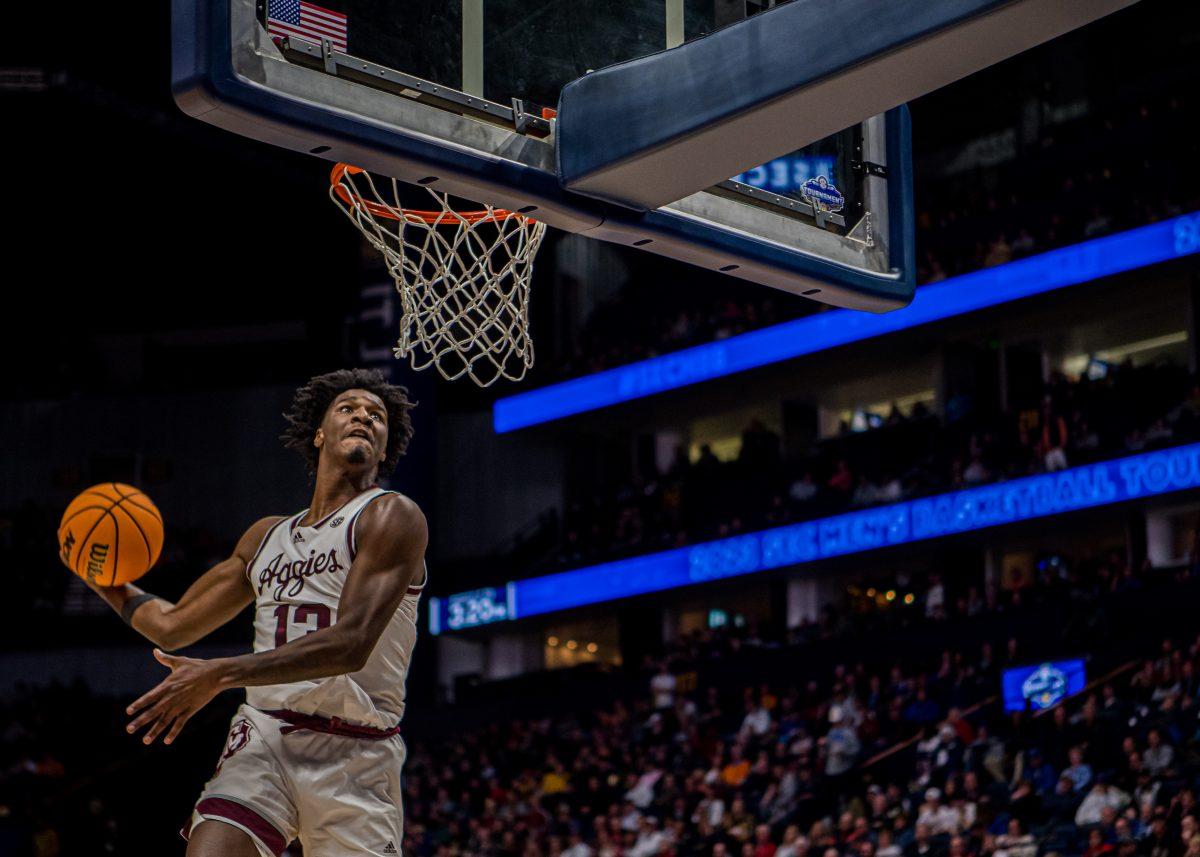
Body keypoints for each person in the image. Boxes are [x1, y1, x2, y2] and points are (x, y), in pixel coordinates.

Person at [78, 369, 427, 857]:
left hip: (357, 753)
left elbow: (350, 644)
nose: (365, 417)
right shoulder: (265, 538)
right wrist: (99, 576)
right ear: (319, 432)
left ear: (386, 448)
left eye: (378, 416)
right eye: (349, 408)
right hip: (266, 738)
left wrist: (220, 674)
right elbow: (171, 625)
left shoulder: (392, 516)